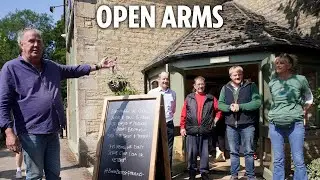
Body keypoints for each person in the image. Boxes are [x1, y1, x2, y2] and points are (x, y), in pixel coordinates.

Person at [0, 28, 116, 180]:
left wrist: (98, 66)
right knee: (34, 175)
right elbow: (3, 103)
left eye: (39, 41)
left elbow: (74, 70)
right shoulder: (11, 68)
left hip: (53, 131)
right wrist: (8, 133)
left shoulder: (51, 66)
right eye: (31, 41)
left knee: (54, 174)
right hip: (30, 133)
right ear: (21, 45)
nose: (36, 44)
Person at [268, 53, 313, 180]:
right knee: (278, 159)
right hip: (275, 124)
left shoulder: (300, 79)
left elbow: (309, 97)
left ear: (289, 65)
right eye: (276, 63)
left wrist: (304, 110)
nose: (278, 65)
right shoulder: (273, 82)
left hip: (295, 124)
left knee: (298, 159)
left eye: (281, 63)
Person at [218, 66, 261, 180]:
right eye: (234, 75)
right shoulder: (225, 88)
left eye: (239, 74)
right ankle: (234, 175)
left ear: (242, 74)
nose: (237, 77)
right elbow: (220, 104)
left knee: (249, 152)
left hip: (247, 125)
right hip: (231, 126)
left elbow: (257, 103)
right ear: (230, 76)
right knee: (233, 152)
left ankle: (251, 176)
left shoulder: (251, 86)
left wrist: (240, 106)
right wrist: (229, 107)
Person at [180, 76, 222, 180]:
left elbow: (219, 110)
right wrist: (182, 127)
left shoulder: (211, 98)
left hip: (205, 131)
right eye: (198, 84)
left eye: (202, 84)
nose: (200, 86)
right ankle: (192, 174)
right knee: (192, 155)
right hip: (191, 131)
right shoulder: (189, 98)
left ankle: (204, 174)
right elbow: (183, 113)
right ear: (194, 86)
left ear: (204, 85)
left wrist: (215, 120)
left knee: (204, 155)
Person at [148, 72, 176, 175]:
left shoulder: (173, 93)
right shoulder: (152, 93)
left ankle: (168, 173)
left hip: (168, 124)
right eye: (163, 79)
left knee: (169, 149)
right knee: (157, 149)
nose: (165, 81)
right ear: (159, 80)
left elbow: (173, 110)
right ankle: (157, 173)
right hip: (156, 125)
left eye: (167, 79)